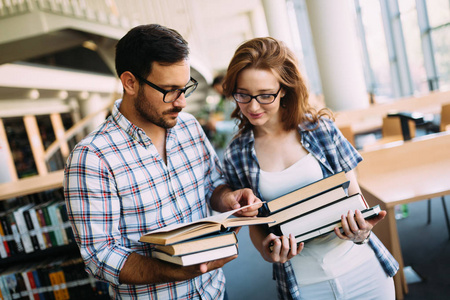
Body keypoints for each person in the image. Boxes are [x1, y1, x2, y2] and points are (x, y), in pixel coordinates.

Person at [63, 24, 261, 299]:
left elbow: (211, 185)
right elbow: (99, 256)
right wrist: (175, 270)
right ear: (130, 82)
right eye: (169, 90)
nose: (181, 102)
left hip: (215, 291)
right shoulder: (92, 158)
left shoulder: (190, 126)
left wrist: (229, 198)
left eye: (184, 88)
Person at [221, 37, 399, 299]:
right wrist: (268, 250)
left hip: (363, 270)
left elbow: (354, 198)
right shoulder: (237, 153)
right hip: (304, 285)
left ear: (284, 90)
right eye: (243, 95)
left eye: (265, 95)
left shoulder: (320, 131)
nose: (253, 106)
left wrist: (362, 230)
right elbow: (256, 226)